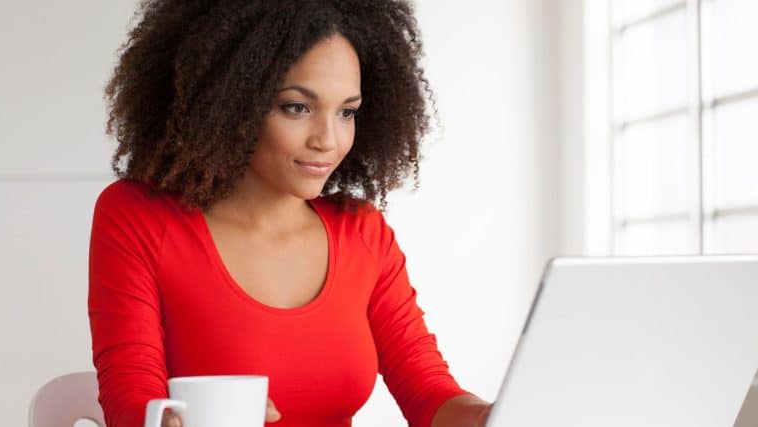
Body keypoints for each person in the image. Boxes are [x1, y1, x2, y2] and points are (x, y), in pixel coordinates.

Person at [88, 1, 492, 426]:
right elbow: (130, 396)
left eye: (347, 112)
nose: (328, 140)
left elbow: (430, 393)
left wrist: (492, 416)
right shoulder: (139, 218)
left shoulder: (363, 234)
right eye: (296, 107)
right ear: (230, 100)